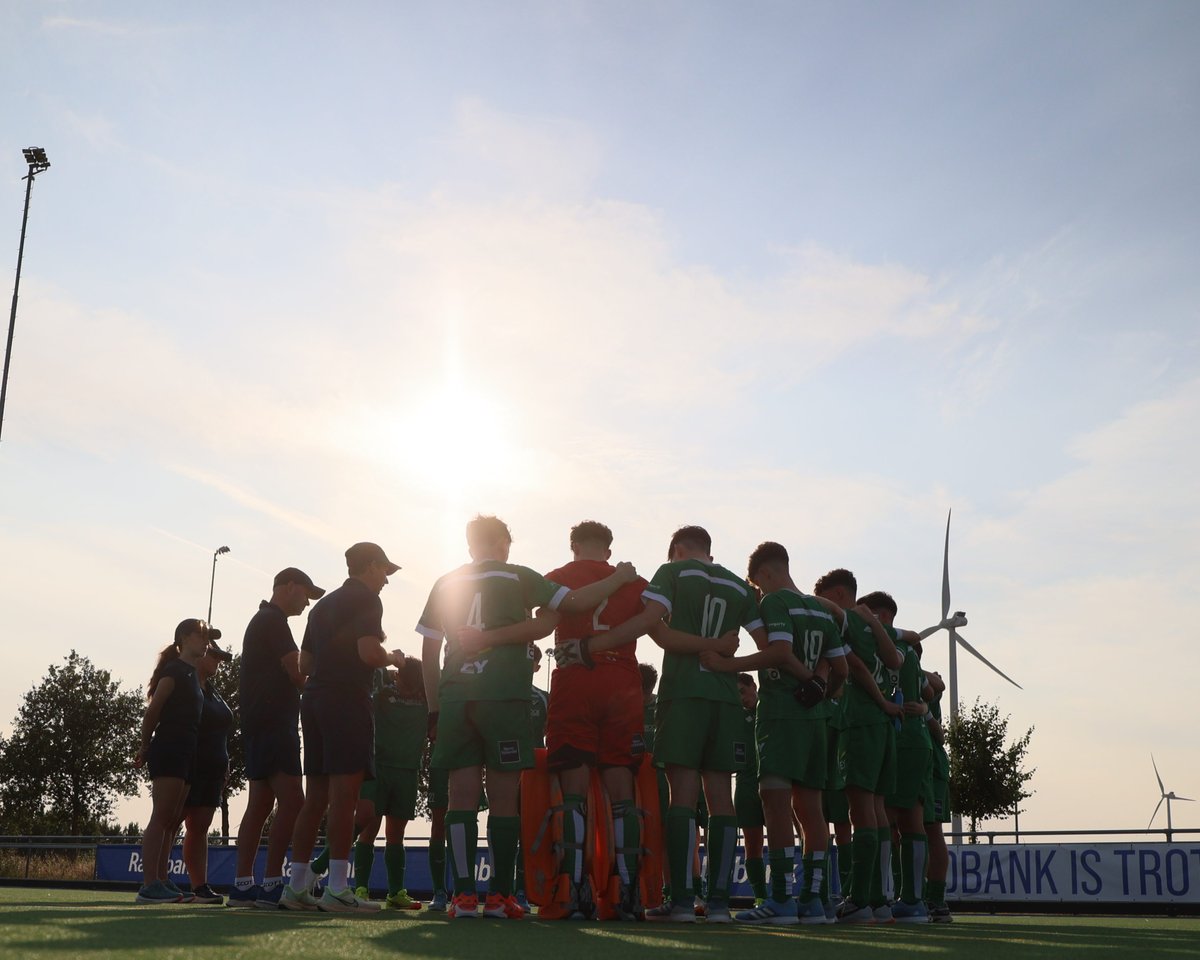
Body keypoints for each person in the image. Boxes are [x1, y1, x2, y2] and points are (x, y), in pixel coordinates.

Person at [417, 514, 638, 920]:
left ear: (470, 545)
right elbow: (573, 603)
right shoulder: (519, 576)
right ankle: (501, 897)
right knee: (504, 800)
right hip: (504, 697)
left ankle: (463, 897)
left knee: (460, 797)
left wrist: (434, 708)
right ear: (504, 543)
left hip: (455, 698)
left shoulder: (446, 582)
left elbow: (429, 654)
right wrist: (617, 577)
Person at [700, 542, 848, 924]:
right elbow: (842, 669)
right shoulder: (820, 609)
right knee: (811, 809)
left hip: (782, 713)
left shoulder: (775, 603)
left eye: (757, 585)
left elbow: (780, 651)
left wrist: (727, 664)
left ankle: (780, 899)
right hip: (817, 721)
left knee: (776, 800)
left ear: (764, 574)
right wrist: (822, 692)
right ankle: (814, 901)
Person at [633, 525, 765, 924]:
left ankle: (680, 901)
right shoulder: (740, 588)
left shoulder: (671, 572)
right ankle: (721, 904)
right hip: (724, 699)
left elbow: (658, 632)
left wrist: (700, 645)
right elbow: (765, 644)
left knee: (682, 799)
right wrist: (723, 652)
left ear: (677, 549)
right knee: (721, 799)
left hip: (683, 694)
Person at [282, 542, 405, 913]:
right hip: (347, 701)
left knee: (315, 797)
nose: (386, 580)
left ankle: (297, 887)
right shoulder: (368, 600)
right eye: (384, 571)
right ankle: (337, 887)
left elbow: (305, 664)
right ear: (370, 567)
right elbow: (369, 654)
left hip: (315, 699)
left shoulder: (320, 607)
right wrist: (393, 659)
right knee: (344, 797)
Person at [230, 567, 326, 908]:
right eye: (305, 594)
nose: (306, 603)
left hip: (260, 721)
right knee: (295, 803)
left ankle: (243, 885)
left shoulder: (263, 619)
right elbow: (297, 670)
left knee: (259, 805)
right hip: (274, 723)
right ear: (288, 587)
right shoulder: (274, 621)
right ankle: (272, 884)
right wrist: (326, 692)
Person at [813, 569, 905, 924]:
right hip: (883, 730)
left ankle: (860, 900)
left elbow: (854, 668)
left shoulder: (847, 620)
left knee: (860, 811)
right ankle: (881, 898)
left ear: (836, 594)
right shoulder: (876, 627)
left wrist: (881, 701)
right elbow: (894, 661)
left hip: (861, 721)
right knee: (879, 812)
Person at [861, 591, 934, 924]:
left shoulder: (886, 646)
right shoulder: (908, 651)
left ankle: (883, 898)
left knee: (885, 815)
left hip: (899, 737)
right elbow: (930, 687)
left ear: (882, 617)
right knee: (908, 818)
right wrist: (924, 707)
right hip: (914, 739)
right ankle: (910, 900)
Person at [133, 619, 211, 904]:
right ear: (184, 638)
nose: (206, 643)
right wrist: (144, 746)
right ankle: (149, 884)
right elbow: (153, 712)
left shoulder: (193, 675)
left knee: (173, 821)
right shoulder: (174, 671)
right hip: (169, 749)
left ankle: (162, 880)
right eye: (202, 636)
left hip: (187, 753)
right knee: (161, 816)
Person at [175, 638, 235, 904]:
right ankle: (155, 882)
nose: (218, 661)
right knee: (170, 822)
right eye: (214, 655)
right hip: (188, 765)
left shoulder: (212, 691)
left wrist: (225, 764)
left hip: (213, 769)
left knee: (199, 827)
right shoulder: (185, 685)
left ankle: (199, 886)